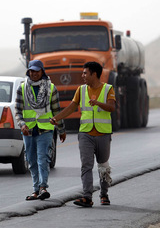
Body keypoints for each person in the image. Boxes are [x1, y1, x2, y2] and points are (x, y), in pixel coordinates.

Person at [49, 61, 115, 207]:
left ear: (94, 74)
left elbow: (111, 107)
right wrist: (56, 118)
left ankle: (104, 194)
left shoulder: (108, 89)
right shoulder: (81, 90)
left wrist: (98, 103)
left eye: (85, 73)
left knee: (103, 166)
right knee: (86, 165)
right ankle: (87, 196)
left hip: (103, 134)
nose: (82, 75)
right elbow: (71, 108)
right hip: (85, 133)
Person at [15, 59, 66, 201]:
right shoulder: (22, 88)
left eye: (37, 71)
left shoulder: (51, 88)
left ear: (42, 72)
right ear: (28, 72)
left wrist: (61, 129)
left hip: (45, 130)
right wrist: (22, 124)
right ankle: (35, 190)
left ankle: (43, 187)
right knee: (31, 161)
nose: (34, 74)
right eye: (31, 71)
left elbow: (57, 111)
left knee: (42, 159)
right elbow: (18, 111)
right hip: (28, 131)